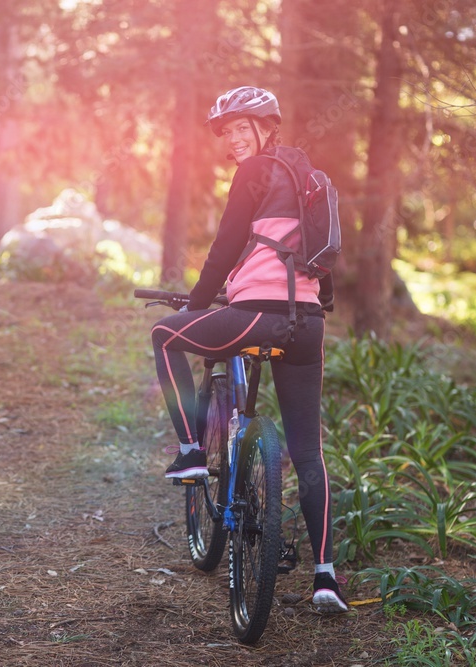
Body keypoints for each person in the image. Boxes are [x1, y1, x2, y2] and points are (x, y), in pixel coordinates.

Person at [150, 86, 347, 612]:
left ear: (266, 128)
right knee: (309, 452)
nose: (235, 140)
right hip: (307, 324)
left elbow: (226, 246)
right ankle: (325, 577)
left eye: (244, 128)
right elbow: (323, 269)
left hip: (255, 314)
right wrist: (316, 300)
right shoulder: (312, 179)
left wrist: (195, 303)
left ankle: (192, 451)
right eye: (228, 132)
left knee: (166, 335)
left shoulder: (256, 172)